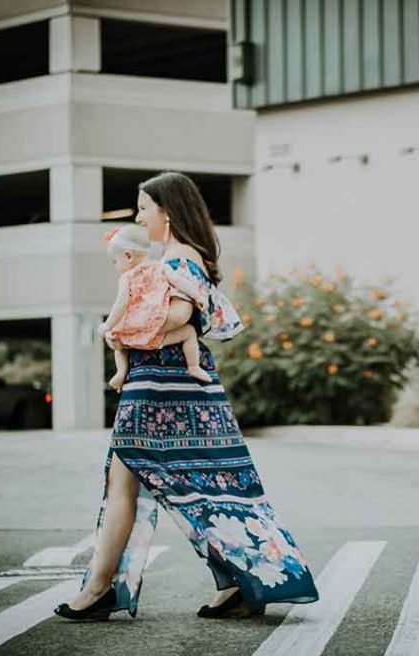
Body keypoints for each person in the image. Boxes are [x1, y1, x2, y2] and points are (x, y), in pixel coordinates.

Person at [55, 172, 317, 621]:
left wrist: (126, 332)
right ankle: (242, 580)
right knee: (207, 483)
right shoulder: (179, 260)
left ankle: (100, 588)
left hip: (161, 386)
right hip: (172, 385)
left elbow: (181, 318)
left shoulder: (176, 262)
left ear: (168, 213)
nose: (138, 216)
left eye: (143, 208)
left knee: (131, 482)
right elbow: (195, 320)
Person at [98, 224, 212, 390]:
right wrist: (198, 296)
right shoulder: (161, 266)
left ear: (128, 256)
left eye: (115, 261)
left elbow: (121, 304)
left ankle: (121, 372)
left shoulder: (127, 277)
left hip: (136, 326)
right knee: (189, 333)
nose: (115, 266)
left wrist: (108, 325)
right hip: (159, 322)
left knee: (117, 341)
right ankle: (193, 367)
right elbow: (180, 282)